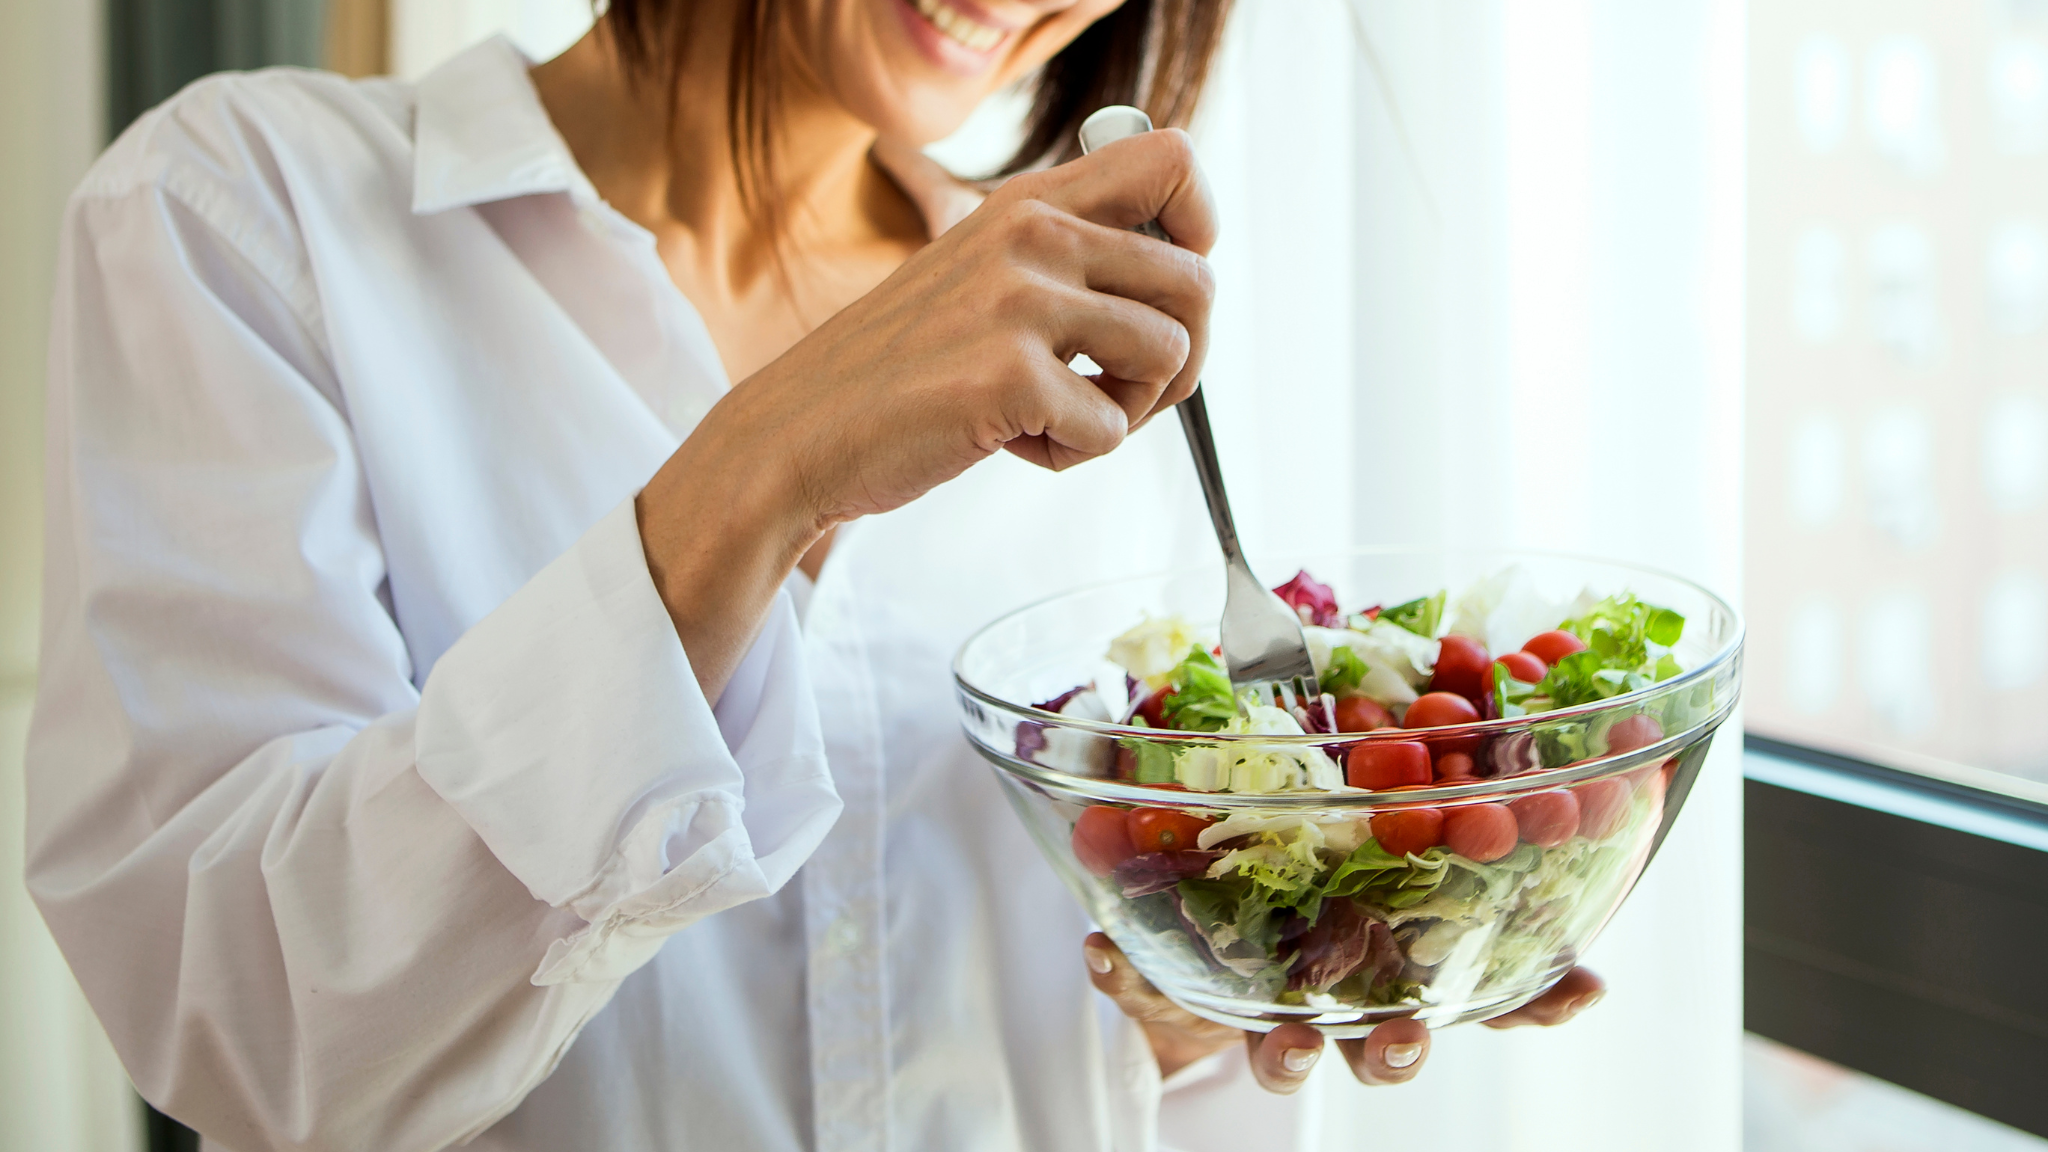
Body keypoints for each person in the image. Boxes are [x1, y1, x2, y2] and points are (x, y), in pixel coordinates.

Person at [26, 0, 1601, 1148]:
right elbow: (242, 1020)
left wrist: (1208, 1002)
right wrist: (761, 471)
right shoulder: (248, 212)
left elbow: (1078, 1042)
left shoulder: (1078, 335)